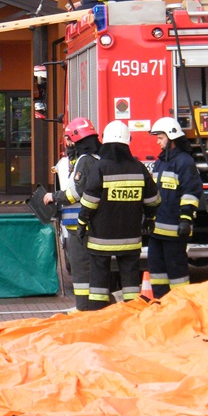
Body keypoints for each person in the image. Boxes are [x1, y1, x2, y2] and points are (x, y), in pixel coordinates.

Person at [77, 121, 160, 309]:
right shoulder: (139, 168)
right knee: (130, 280)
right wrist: (149, 218)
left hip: (101, 238)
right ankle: (133, 312)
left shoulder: (100, 167)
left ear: (105, 141)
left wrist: (82, 222)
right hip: (130, 237)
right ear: (127, 142)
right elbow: (153, 200)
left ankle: (98, 312)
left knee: (99, 279)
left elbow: (90, 201)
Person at [43, 118, 100, 311]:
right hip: (87, 224)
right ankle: (90, 306)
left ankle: (83, 307)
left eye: (68, 138)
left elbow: (75, 194)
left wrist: (53, 197)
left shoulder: (84, 161)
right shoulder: (95, 159)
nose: (66, 143)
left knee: (80, 268)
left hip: (78, 226)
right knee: (88, 267)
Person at [148, 117, 203, 299]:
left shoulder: (184, 162)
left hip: (175, 231)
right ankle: (160, 303)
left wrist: (185, 220)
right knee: (157, 273)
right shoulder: (160, 163)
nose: (158, 142)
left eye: (160, 138)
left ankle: (181, 305)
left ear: (171, 137)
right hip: (157, 231)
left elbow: (191, 192)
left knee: (177, 274)